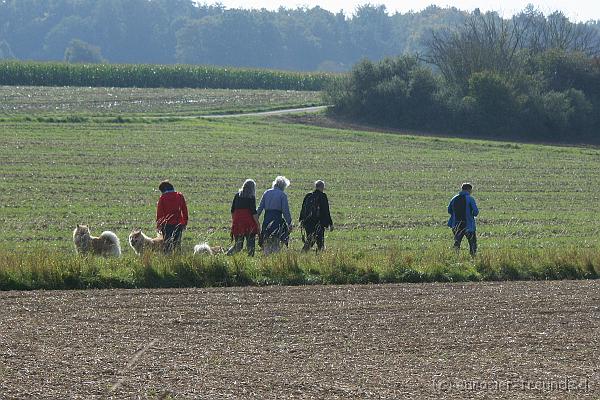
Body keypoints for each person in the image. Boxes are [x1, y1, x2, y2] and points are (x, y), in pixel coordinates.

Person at [257, 176, 293, 255]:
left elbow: (260, 208)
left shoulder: (266, 192)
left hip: (266, 220)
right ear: (283, 186)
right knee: (276, 241)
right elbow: (285, 211)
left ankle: (266, 258)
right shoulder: (282, 195)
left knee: (266, 241)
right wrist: (289, 223)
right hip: (277, 220)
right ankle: (274, 259)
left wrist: (255, 218)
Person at [227, 179, 260, 256]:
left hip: (238, 224)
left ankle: (228, 255)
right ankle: (251, 261)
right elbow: (253, 213)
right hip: (249, 224)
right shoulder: (251, 197)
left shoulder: (237, 195)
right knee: (250, 247)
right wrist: (258, 224)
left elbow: (232, 210)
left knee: (238, 247)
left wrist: (234, 222)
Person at [299, 180, 333, 252]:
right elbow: (326, 211)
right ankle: (320, 257)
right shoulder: (323, 196)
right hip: (319, 223)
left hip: (308, 222)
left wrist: (301, 220)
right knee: (320, 242)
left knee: (310, 240)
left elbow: (303, 209)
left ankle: (303, 253)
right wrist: (330, 223)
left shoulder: (308, 195)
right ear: (322, 187)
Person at [156, 180, 188, 254]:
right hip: (178, 224)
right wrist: (184, 222)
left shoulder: (162, 198)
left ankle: (168, 261)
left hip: (166, 225)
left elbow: (160, 213)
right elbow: (184, 210)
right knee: (177, 244)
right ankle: (178, 260)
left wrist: (159, 225)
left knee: (167, 245)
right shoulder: (179, 196)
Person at [447, 182, 479, 256]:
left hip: (456, 225)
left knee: (457, 242)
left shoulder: (454, 198)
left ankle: (455, 257)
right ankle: (473, 258)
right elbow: (476, 212)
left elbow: (449, 210)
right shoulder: (470, 199)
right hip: (468, 225)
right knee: (472, 243)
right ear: (469, 190)